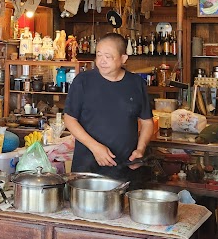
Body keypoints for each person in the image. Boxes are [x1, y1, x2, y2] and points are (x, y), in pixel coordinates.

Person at [64, 32, 154, 180]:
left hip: (125, 168)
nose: (102, 61)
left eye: (108, 56)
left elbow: (147, 122)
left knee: (123, 202)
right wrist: (95, 147)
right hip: (87, 166)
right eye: (99, 55)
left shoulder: (136, 84)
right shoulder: (83, 81)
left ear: (123, 58)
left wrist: (140, 149)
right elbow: (69, 119)